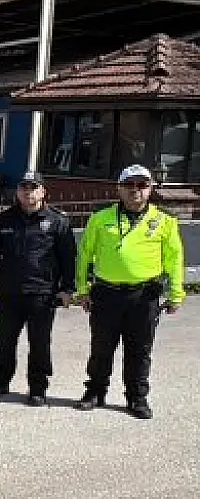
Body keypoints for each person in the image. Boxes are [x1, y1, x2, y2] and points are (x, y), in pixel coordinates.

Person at [74, 165, 185, 420]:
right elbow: (84, 255)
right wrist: (82, 289)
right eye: (129, 185)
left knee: (139, 350)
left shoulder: (165, 221)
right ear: (119, 189)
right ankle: (95, 392)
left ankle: (137, 398)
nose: (135, 190)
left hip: (144, 296)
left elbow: (174, 259)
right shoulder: (100, 217)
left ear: (150, 188)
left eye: (142, 185)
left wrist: (176, 294)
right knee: (101, 348)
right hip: (106, 293)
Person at [0, 171, 76, 406]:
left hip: (42, 294)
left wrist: (67, 288)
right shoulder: (4, 219)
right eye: (24, 187)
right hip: (10, 293)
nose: (28, 192)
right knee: (5, 342)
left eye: (33, 187)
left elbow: (68, 259)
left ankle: (37, 389)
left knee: (39, 344)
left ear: (43, 192)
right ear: (18, 191)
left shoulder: (58, 221)